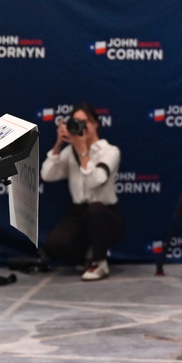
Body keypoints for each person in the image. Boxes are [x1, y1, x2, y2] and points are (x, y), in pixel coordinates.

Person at [40, 102, 124, 281]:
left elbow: (96, 180)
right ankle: (86, 254)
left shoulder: (110, 151)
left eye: (85, 122)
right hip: (79, 214)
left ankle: (100, 262)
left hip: (105, 215)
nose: (80, 127)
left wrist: (83, 150)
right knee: (54, 244)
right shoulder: (70, 152)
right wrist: (57, 145)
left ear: (95, 124)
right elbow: (47, 175)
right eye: (75, 122)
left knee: (96, 210)